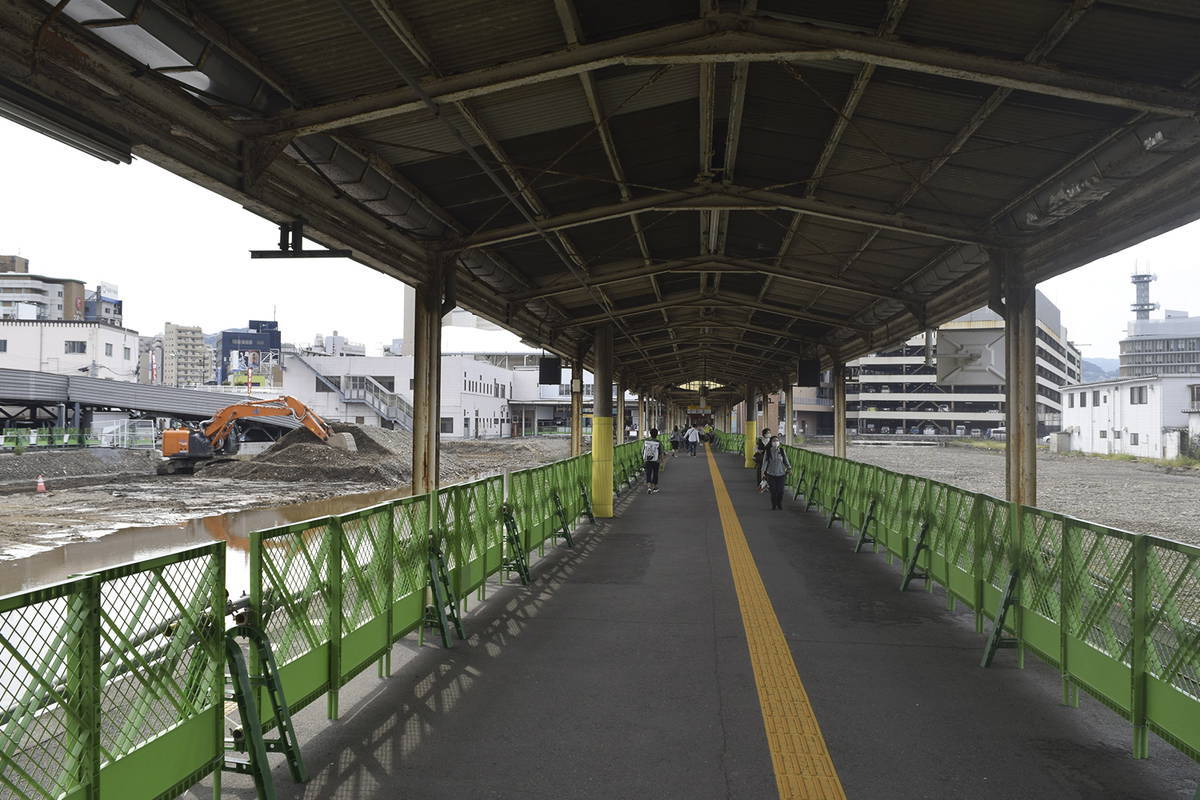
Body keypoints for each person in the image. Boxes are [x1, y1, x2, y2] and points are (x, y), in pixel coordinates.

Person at [762, 436, 790, 510]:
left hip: (781, 474)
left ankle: (779, 502)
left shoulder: (781, 450)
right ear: (771, 442)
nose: (776, 442)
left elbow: (785, 460)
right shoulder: (768, 451)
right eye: (774, 441)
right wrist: (763, 472)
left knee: (780, 491)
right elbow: (765, 462)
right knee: (773, 491)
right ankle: (774, 505)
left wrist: (789, 467)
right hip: (770, 474)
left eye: (777, 441)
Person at [643, 427, 662, 494]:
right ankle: (654, 487)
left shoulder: (646, 441)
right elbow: (660, 452)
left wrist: (644, 459)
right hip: (655, 460)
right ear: (656, 434)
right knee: (655, 473)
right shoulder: (658, 442)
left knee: (648, 473)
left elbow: (643, 451)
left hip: (648, 459)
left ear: (650, 434)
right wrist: (661, 460)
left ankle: (648, 487)